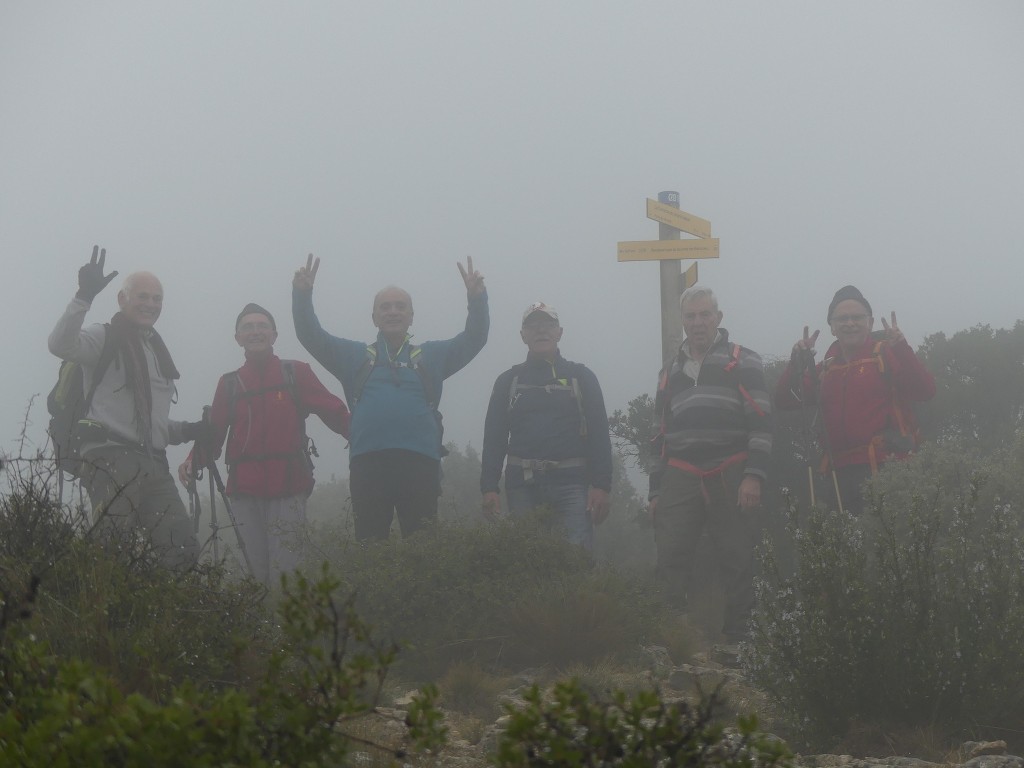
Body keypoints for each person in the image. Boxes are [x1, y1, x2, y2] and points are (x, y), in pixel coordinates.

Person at [292, 254, 488, 540]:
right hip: (368, 464)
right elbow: (311, 336)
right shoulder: (353, 357)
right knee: (370, 550)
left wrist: (477, 300)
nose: (393, 312)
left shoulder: (431, 357)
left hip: (421, 462)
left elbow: (474, 339)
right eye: (385, 307)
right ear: (374, 317)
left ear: (411, 316)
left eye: (400, 307)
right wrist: (302, 295)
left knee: (423, 548)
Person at [48, 246, 201, 569]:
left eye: (156, 298)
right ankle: (99, 617)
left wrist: (187, 430)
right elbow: (59, 344)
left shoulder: (157, 351)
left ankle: (164, 619)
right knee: (110, 551)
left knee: (181, 549)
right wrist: (83, 296)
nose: (150, 304)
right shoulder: (103, 337)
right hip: (109, 457)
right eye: (142, 296)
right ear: (122, 299)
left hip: (153, 462)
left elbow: (152, 422)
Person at [177, 303, 351, 586]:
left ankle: (288, 629)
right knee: (253, 574)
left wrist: (362, 436)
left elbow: (333, 410)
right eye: (248, 327)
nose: (255, 332)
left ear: (274, 335)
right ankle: (259, 630)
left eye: (261, 326)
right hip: (245, 489)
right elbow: (214, 432)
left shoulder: (295, 372)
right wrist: (192, 461)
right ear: (238, 338)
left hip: (289, 484)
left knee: (288, 574)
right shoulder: (230, 384)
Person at [648, 285, 772, 644]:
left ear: (719, 317)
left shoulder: (743, 359)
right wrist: (656, 490)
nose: (698, 322)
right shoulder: (669, 371)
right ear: (683, 321)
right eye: (691, 316)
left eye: (705, 315)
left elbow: (761, 421)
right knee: (670, 554)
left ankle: (740, 640)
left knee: (737, 557)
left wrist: (754, 476)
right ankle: (670, 637)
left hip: (731, 467)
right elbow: (658, 435)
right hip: (681, 471)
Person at [774, 285, 936, 516]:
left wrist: (900, 347)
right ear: (832, 326)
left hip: (887, 466)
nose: (850, 323)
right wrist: (795, 363)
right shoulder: (827, 368)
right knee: (845, 547)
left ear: (869, 323)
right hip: (839, 473)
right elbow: (785, 401)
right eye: (842, 318)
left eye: (857, 317)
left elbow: (925, 391)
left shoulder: (885, 354)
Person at [479, 302, 613, 551]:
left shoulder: (581, 377)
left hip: (572, 483)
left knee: (576, 561)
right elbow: (494, 438)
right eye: (533, 325)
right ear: (523, 336)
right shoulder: (508, 381)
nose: (541, 331)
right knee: (526, 564)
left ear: (559, 332)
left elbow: (599, 435)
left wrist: (602, 485)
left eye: (548, 325)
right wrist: (489, 487)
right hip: (522, 485)